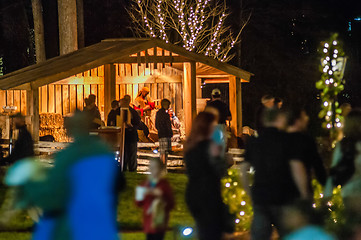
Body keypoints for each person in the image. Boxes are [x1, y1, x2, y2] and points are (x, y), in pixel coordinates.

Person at [16, 111, 123, 240]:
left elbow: (55, 193)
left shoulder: (67, 158)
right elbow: (119, 184)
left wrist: (29, 187)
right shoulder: (104, 153)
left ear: (69, 131)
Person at [242, 108, 310, 240]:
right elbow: (297, 168)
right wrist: (303, 193)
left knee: (259, 236)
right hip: (284, 196)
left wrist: (249, 192)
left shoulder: (254, 142)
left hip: (261, 196)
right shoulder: (288, 140)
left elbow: (243, 171)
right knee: (289, 235)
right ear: (280, 119)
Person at [184, 112, 232, 240]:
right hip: (209, 194)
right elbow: (217, 171)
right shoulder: (209, 147)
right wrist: (226, 161)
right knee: (212, 231)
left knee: (203, 229)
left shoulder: (190, 146)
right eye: (213, 125)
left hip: (194, 194)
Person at [287, 107, 327, 192]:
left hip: (282, 192)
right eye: (304, 117)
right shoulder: (306, 140)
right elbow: (317, 165)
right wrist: (325, 185)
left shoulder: (280, 139)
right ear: (297, 120)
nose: (307, 119)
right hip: (303, 189)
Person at [135, 158, 175, 240]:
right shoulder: (145, 184)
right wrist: (140, 194)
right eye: (151, 167)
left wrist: (161, 196)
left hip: (159, 222)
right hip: (148, 222)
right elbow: (138, 203)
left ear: (161, 169)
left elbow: (171, 204)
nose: (153, 170)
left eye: (155, 167)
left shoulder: (164, 185)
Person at [122, 95, 141, 172]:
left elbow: (137, 122)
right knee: (125, 154)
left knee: (132, 154)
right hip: (124, 135)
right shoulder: (122, 111)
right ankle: (124, 168)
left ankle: (132, 169)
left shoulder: (133, 112)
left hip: (131, 135)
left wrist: (132, 127)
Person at [155, 99, 173, 167]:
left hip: (161, 134)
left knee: (163, 152)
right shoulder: (165, 114)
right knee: (164, 152)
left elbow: (156, 125)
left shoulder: (158, 113)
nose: (168, 106)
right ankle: (163, 166)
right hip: (165, 134)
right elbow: (167, 125)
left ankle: (162, 166)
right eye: (168, 105)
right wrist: (170, 132)